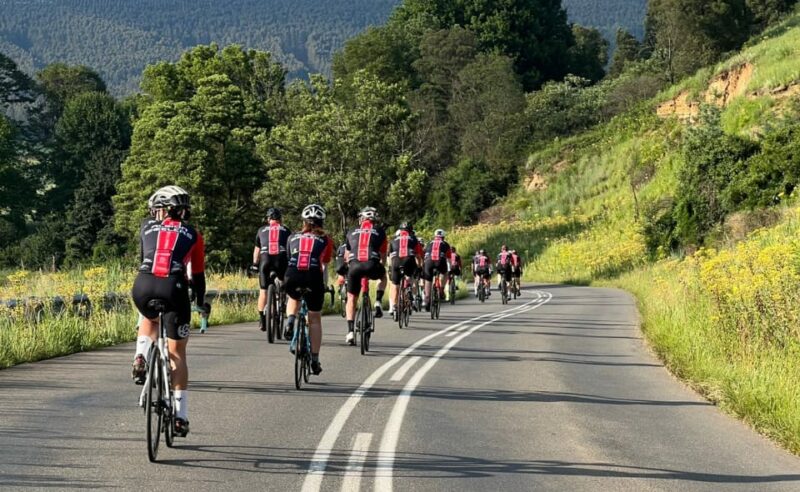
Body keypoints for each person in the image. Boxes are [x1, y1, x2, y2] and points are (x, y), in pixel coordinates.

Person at [131, 185, 206, 438]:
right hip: (174, 288)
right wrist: (201, 300)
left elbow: (145, 258)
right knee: (177, 353)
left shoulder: (146, 226)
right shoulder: (193, 234)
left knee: (149, 319)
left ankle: (140, 355)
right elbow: (197, 275)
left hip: (143, 285)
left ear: (162, 210)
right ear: (183, 211)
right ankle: (180, 416)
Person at [283, 204, 333, 375]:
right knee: (315, 319)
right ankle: (315, 359)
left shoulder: (292, 237)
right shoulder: (325, 239)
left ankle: (290, 320)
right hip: (313, 276)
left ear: (304, 222)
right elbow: (324, 266)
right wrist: (323, 286)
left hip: (292, 275)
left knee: (294, 296)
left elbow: (290, 259)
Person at [344, 207, 388, 345]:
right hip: (371, 264)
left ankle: (350, 332)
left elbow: (346, 255)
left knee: (351, 297)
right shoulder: (380, 231)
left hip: (354, 266)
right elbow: (383, 256)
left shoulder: (351, 231)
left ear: (361, 219)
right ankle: (378, 301)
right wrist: (381, 265)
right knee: (383, 277)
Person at [251, 207, 291, 332]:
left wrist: (254, 264)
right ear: (280, 219)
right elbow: (290, 248)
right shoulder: (286, 230)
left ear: (268, 219)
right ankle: (284, 303)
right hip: (281, 260)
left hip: (265, 261)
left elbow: (257, 250)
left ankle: (262, 320)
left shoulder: (261, 230)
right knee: (287, 286)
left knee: (263, 291)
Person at [388, 222, 423, 317]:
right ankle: (409, 288)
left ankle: (394, 306)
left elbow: (390, 257)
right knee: (411, 277)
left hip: (395, 261)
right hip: (409, 260)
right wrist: (419, 267)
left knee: (395, 285)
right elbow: (418, 256)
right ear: (411, 231)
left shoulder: (393, 240)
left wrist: (390, 268)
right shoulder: (414, 239)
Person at [422, 229, 452, 311]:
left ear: (435, 236)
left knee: (428, 280)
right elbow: (449, 259)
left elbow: (423, 253)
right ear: (443, 237)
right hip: (440, 261)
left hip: (428, 262)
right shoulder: (446, 244)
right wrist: (451, 268)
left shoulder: (429, 243)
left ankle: (427, 298)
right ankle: (441, 289)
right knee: (445, 273)